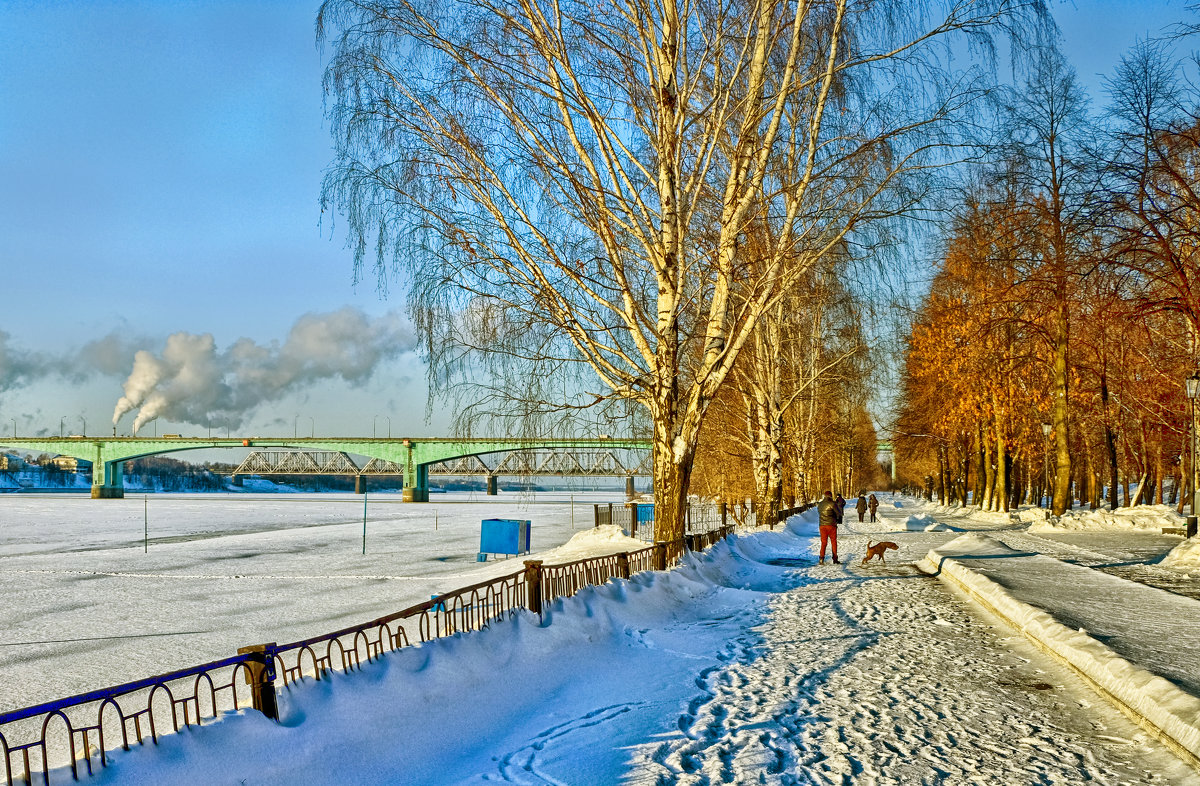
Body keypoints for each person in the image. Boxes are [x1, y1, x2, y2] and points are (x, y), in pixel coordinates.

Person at [816, 491, 839, 564]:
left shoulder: (820, 504)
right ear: (831, 496)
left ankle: (821, 558)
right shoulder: (832, 504)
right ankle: (835, 558)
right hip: (831, 525)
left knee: (823, 542)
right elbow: (838, 513)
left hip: (822, 525)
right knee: (833, 542)